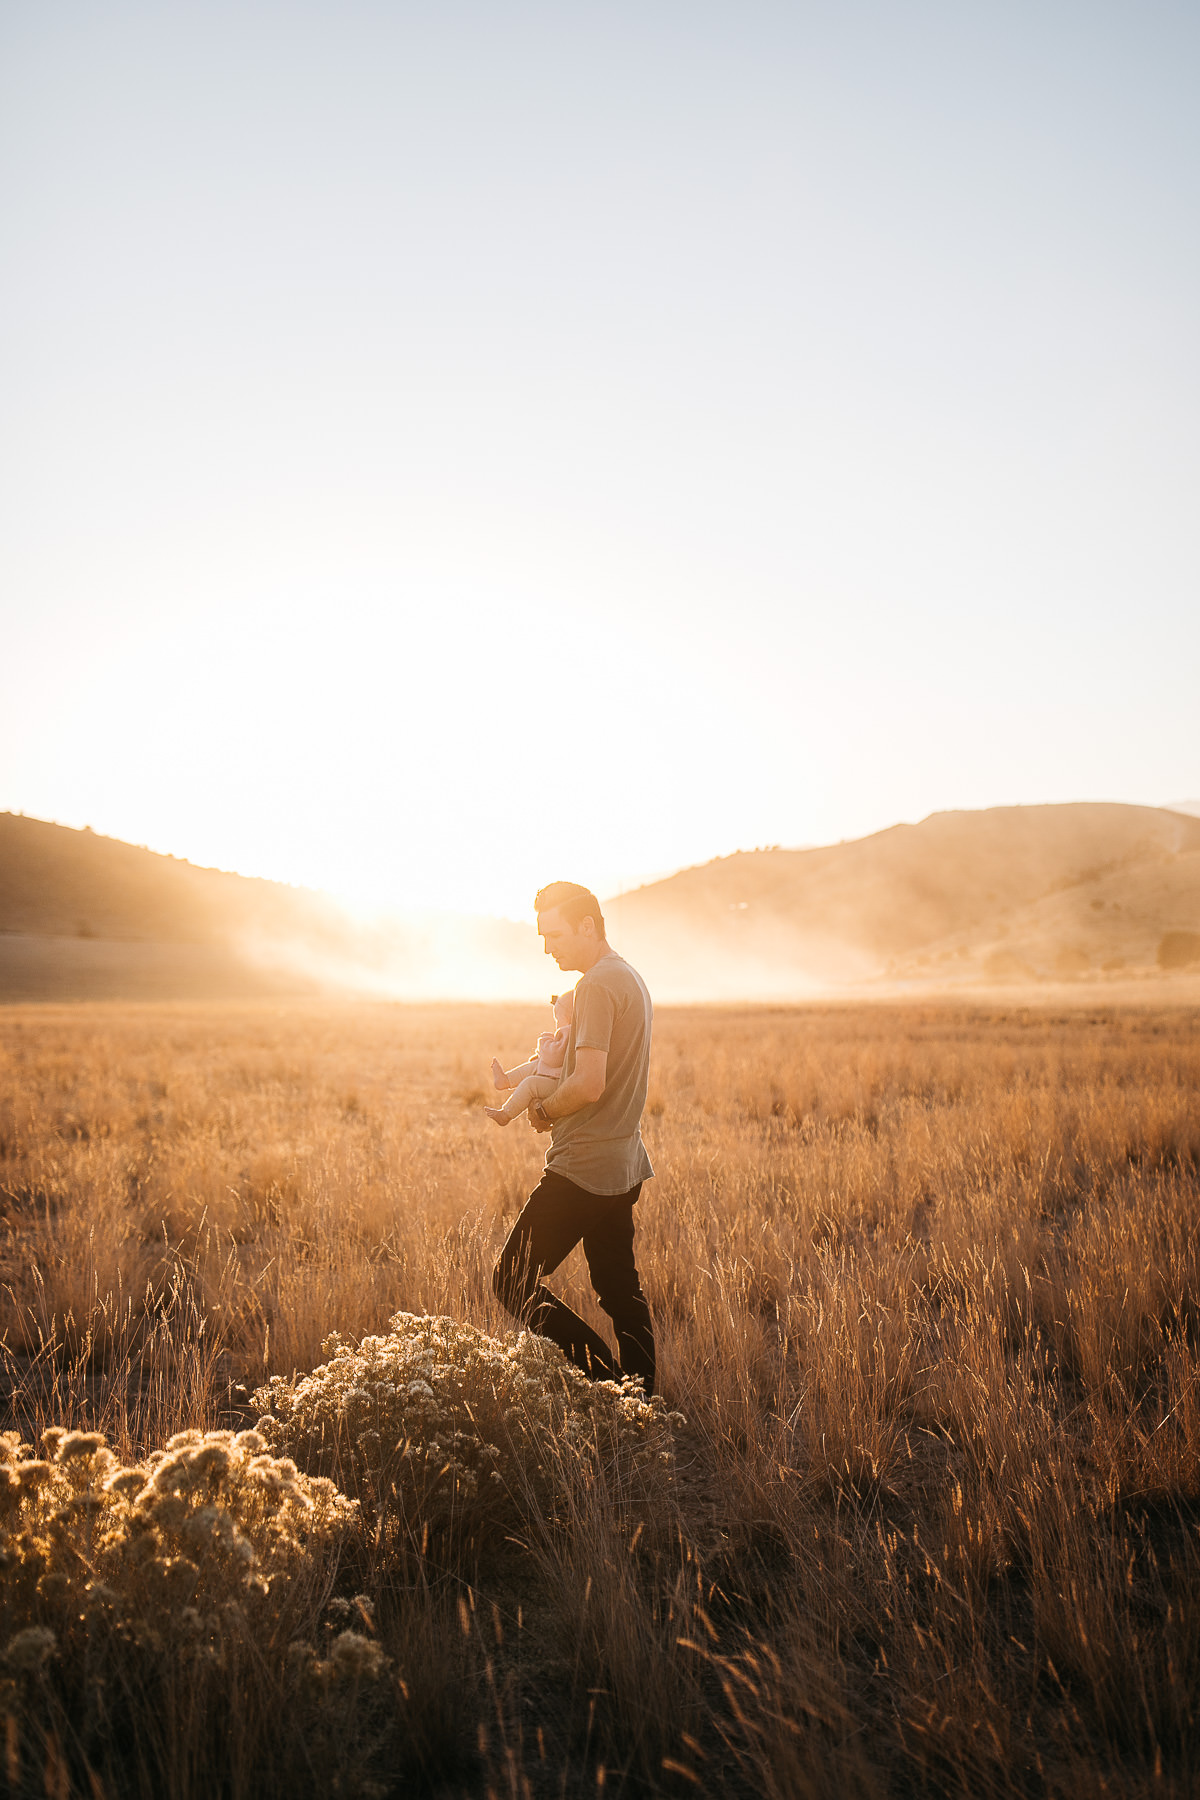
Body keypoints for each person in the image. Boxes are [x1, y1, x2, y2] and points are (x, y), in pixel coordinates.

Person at [491, 881, 657, 1392]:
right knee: (618, 1289)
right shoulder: (629, 977)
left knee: (511, 1281)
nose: (547, 948)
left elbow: (588, 1083)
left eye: (555, 934)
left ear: (588, 925)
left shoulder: (595, 986)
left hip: (583, 1168)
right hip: (622, 1164)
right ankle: (639, 1399)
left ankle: (605, 1382)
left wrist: (542, 1109)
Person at [485, 990, 574, 1126]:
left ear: (570, 1017)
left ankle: (506, 1113)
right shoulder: (571, 1031)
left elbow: (554, 1057)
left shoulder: (569, 1031)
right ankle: (505, 1080)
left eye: (558, 1019)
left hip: (560, 1083)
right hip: (557, 1076)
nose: (557, 1024)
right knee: (534, 1065)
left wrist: (545, 1040)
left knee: (530, 1084)